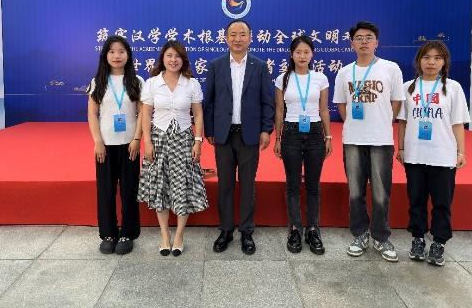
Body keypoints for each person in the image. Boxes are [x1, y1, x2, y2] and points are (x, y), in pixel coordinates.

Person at [333, 21, 405, 262]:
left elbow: (397, 101)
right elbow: (341, 104)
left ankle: (381, 237)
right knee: (355, 190)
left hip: (381, 138)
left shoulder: (390, 68)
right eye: (359, 38)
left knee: (381, 191)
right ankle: (360, 234)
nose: (364, 41)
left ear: (377, 42)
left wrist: (383, 121)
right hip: (353, 138)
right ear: (351, 44)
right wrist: (354, 124)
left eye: (369, 37)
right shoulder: (344, 72)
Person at [203, 19, 274, 255]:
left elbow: (267, 101)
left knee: (247, 184)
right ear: (226, 38)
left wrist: (266, 129)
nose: (237, 39)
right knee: (224, 184)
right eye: (233, 34)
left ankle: (246, 231)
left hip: (249, 133)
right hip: (223, 134)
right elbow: (209, 101)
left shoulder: (260, 66)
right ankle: (225, 230)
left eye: (242, 34)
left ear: (250, 38)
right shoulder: (216, 65)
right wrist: (210, 130)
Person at [396, 40, 469, 266]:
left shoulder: (453, 88)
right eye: (426, 57)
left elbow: (458, 123)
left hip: (442, 154)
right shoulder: (409, 87)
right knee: (416, 200)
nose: (431, 62)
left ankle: (439, 242)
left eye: (437, 58)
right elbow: (402, 121)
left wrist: (461, 152)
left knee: (442, 202)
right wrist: (401, 148)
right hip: (415, 154)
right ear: (419, 61)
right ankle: (418, 239)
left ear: (444, 62)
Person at [137, 41, 208, 257]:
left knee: (181, 186)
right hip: (158, 139)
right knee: (161, 186)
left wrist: (198, 141)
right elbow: (145, 114)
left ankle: (179, 236)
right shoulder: (152, 83)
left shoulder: (191, 84)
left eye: (177, 56)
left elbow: (198, 114)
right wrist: (147, 142)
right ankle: (165, 236)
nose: (173, 60)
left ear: (183, 59)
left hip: (184, 139)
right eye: (169, 55)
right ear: (163, 58)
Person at [273, 36, 333, 255]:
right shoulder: (283, 79)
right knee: (293, 184)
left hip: (315, 133)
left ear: (312, 54)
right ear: (291, 55)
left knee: (313, 185)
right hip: (291, 132)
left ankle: (313, 229)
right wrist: (277, 138)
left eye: (306, 52)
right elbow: (279, 110)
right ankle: (295, 229)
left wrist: (328, 136)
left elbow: (324, 109)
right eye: (298, 52)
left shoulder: (320, 78)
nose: (302, 56)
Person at [87, 35, 143, 255]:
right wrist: (98, 141)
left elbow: (143, 114)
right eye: (111, 51)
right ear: (105, 55)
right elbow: (92, 114)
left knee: (130, 191)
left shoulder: (137, 81)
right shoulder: (98, 82)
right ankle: (108, 233)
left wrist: (137, 139)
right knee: (106, 191)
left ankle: (128, 233)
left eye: (121, 51)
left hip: (129, 145)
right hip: (105, 145)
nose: (116, 56)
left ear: (128, 55)